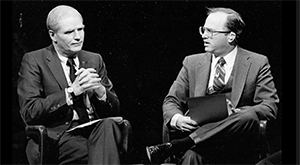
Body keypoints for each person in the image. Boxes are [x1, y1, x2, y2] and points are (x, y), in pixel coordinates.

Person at [146, 7, 279, 164]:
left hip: (237, 143)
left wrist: (234, 113)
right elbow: (171, 101)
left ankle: (179, 145)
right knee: (191, 158)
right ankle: (186, 145)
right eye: (203, 30)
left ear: (231, 36)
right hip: (202, 144)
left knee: (248, 116)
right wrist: (177, 119)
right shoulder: (192, 62)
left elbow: (270, 106)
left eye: (211, 31)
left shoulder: (257, 62)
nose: (204, 35)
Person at [18, 5, 125, 164]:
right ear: (53, 35)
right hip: (58, 137)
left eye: (80, 29)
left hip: (95, 132)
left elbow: (115, 109)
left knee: (109, 125)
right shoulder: (34, 60)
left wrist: (100, 91)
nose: (78, 37)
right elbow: (30, 111)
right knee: (106, 149)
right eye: (69, 32)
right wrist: (71, 92)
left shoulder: (94, 59)